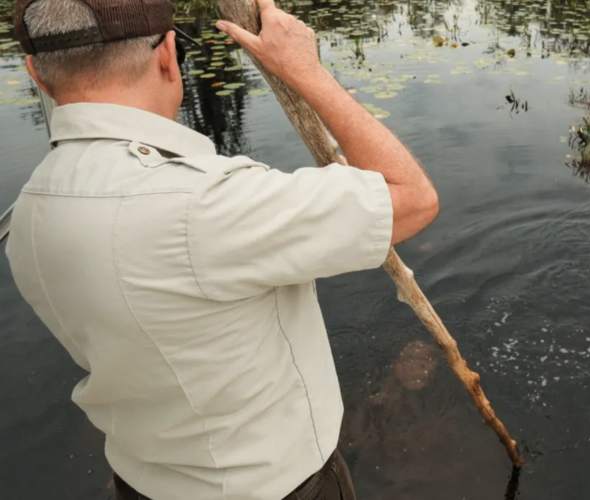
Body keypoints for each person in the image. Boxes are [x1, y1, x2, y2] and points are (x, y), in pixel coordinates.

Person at [5, 0, 439, 498]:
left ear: (37, 74)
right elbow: (413, 199)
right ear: (169, 54)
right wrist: (306, 70)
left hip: (140, 481)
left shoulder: (29, 211)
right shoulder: (205, 204)